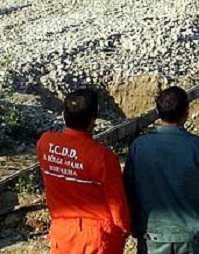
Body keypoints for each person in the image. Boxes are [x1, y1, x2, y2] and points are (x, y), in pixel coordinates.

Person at [124, 87, 199, 254]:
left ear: (158, 112)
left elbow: (129, 192)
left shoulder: (139, 147)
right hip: (195, 237)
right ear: (186, 112)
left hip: (153, 238)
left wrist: (137, 228)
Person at [37, 89, 130, 253]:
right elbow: (116, 202)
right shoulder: (102, 156)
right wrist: (123, 229)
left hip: (62, 232)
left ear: (64, 115)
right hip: (96, 237)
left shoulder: (45, 143)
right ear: (92, 121)